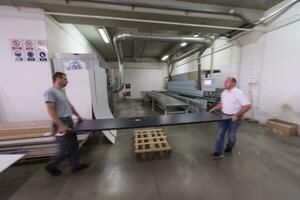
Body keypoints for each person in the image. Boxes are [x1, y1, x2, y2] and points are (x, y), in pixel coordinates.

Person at [43, 72, 89, 176]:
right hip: (61, 122)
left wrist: (78, 116)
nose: (67, 81)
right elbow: (51, 110)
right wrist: (60, 125)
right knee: (64, 149)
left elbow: (69, 106)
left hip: (68, 121)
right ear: (58, 79)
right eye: (65, 79)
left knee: (74, 146)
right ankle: (51, 166)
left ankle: (75, 166)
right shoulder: (50, 92)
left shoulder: (61, 91)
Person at [209, 77, 251, 158]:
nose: (225, 83)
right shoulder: (224, 93)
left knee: (231, 136)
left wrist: (236, 115)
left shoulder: (239, 93)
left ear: (233, 83)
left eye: (227, 82)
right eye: (225, 82)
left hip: (234, 118)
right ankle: (218, 152)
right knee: (219, 134)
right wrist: (213, 109)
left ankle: (229, 147)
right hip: (224, 116)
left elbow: (247, 106)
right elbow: (222, 103)